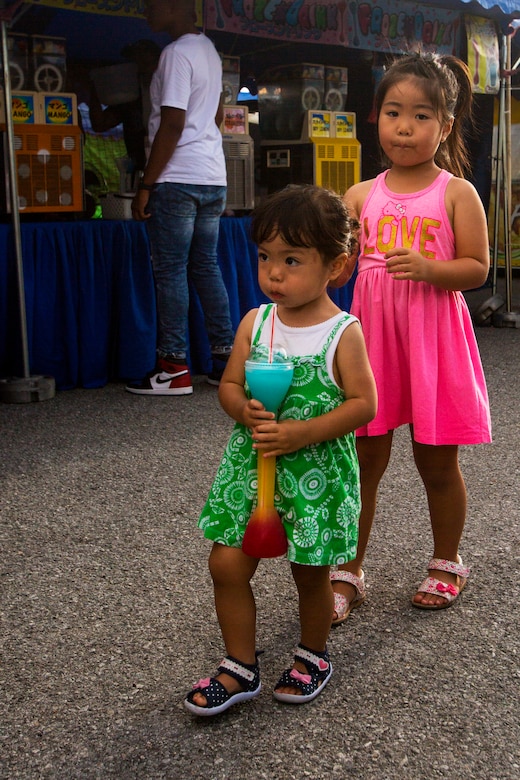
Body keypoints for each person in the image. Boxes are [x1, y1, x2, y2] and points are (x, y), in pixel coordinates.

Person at [183, 185, 377, 716]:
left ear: (337, 265)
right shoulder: (255, 323)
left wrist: (301, 433)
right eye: (265, 257)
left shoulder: (342, 333)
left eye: (292, 260)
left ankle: (313, 655)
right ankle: (239, 665)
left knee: (308, 572)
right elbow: (228, 386)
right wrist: (241, 408)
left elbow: (364, 404)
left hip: (312, 473)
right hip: (252, 472)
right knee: (225, 563)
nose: (274, 273)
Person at [331, 52, 492, 624]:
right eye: (394, 112)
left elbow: (477, 268)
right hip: (371, 346)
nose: (405, 126)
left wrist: (431, 268)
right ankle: (346, 570)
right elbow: (339, 269)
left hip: (432, 343)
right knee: (362, 460)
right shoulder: (357, 194)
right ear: (376, 117)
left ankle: (447, 561)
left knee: (437, 461)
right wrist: (336, 267)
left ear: (444, 126)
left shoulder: (457, 193)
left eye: (421, 116)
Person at [127, 0, 234, 396]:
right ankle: (226, 361)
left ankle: (173, 367)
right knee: (205, 266)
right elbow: (217, 114)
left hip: (178, 177)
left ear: (176, 6)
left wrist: (146, 184)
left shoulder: (175, 53)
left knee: (170, 269)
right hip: (211, 174)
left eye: (152, 4)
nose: (145, 11)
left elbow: (172, 122)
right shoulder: (208, 50)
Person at [88, 39, 162, 176]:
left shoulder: (172, 92)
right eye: (136, 60)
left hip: (167, 168)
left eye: (146, 61)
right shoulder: (131, 96)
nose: (141, 66)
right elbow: (100, 124)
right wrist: (96, 87)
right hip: (140, 169)